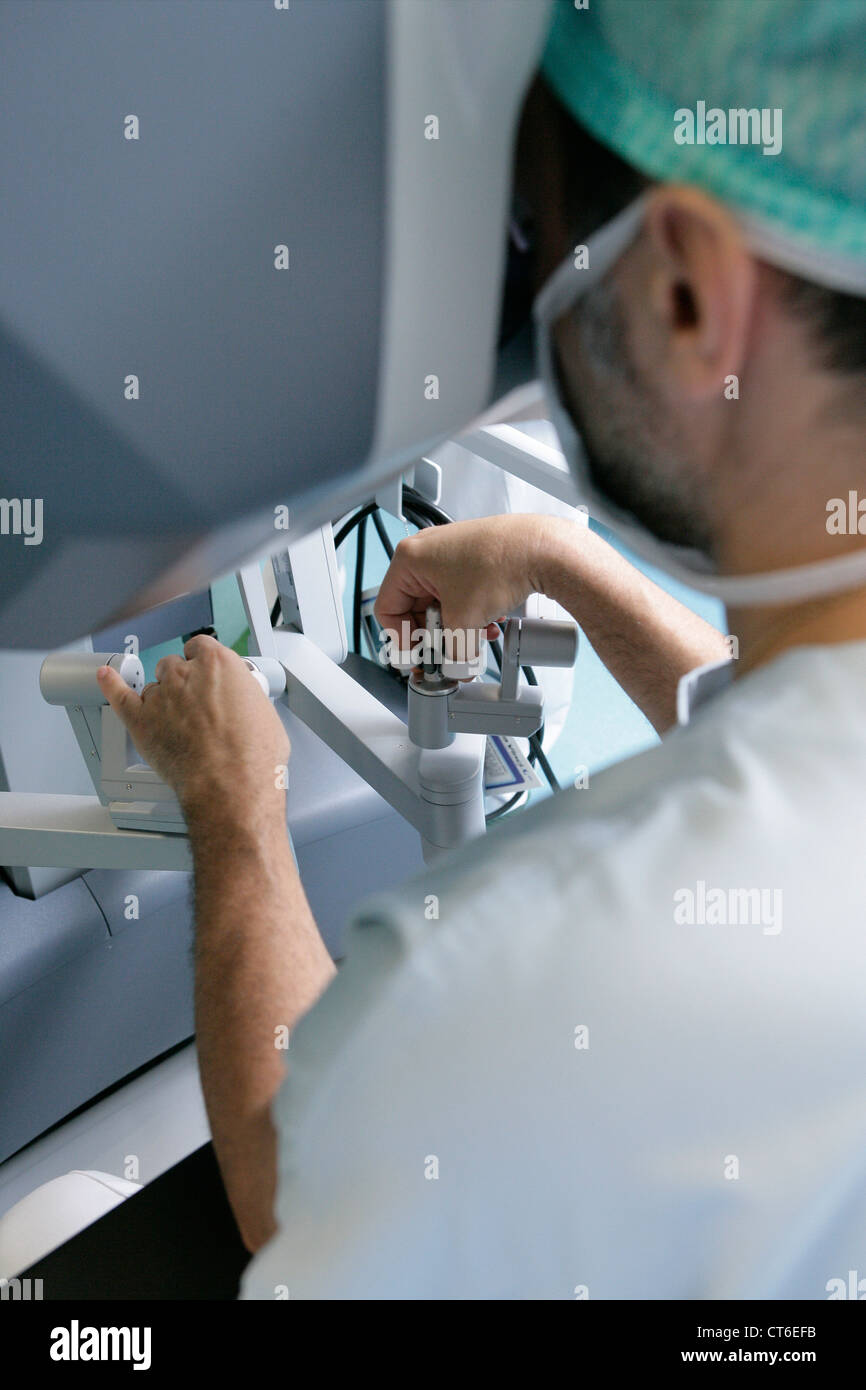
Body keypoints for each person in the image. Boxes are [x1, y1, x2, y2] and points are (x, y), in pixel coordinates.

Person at [97, 0, 866, 1297]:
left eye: (534, 231)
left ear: (684, 291)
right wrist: (561, 559)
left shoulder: (520, 978)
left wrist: (238, 803)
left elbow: (289, 1194)